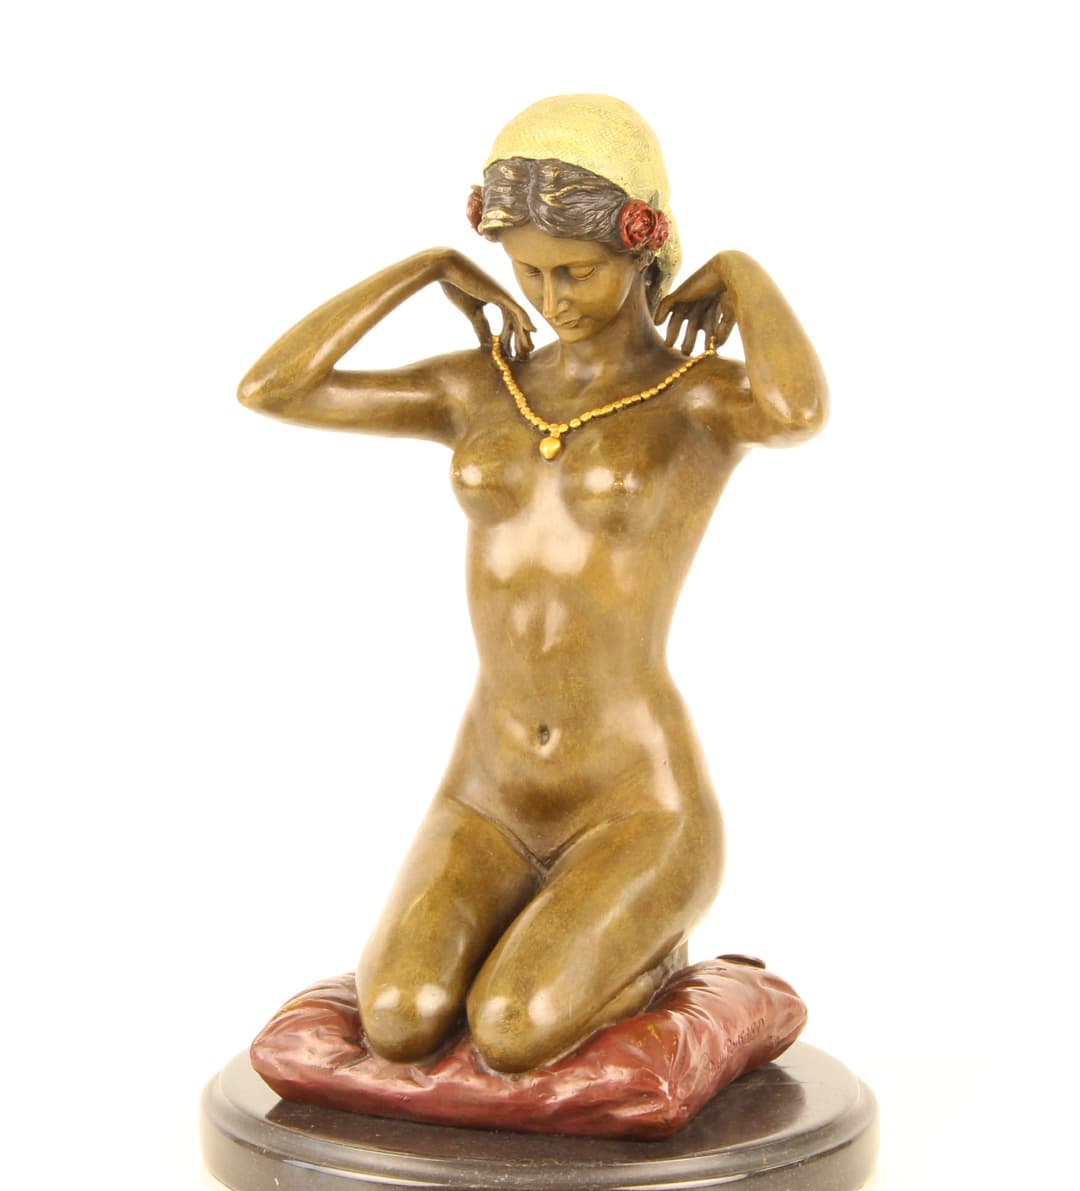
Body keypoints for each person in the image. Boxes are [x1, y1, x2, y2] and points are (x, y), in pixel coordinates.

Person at [237, 95, 827, 1073]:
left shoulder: (696, 396)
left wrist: (740, 270)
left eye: (577, 271)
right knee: (400, 1017)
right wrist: (429, 269)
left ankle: (653, 959)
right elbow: (274, 388)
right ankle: (566, 940)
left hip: (636, 801)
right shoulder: (481, 386)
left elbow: (798, 408)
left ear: (644, 242)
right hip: (487, 791)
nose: (553, 297)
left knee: (512, 1027)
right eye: (529, 270)